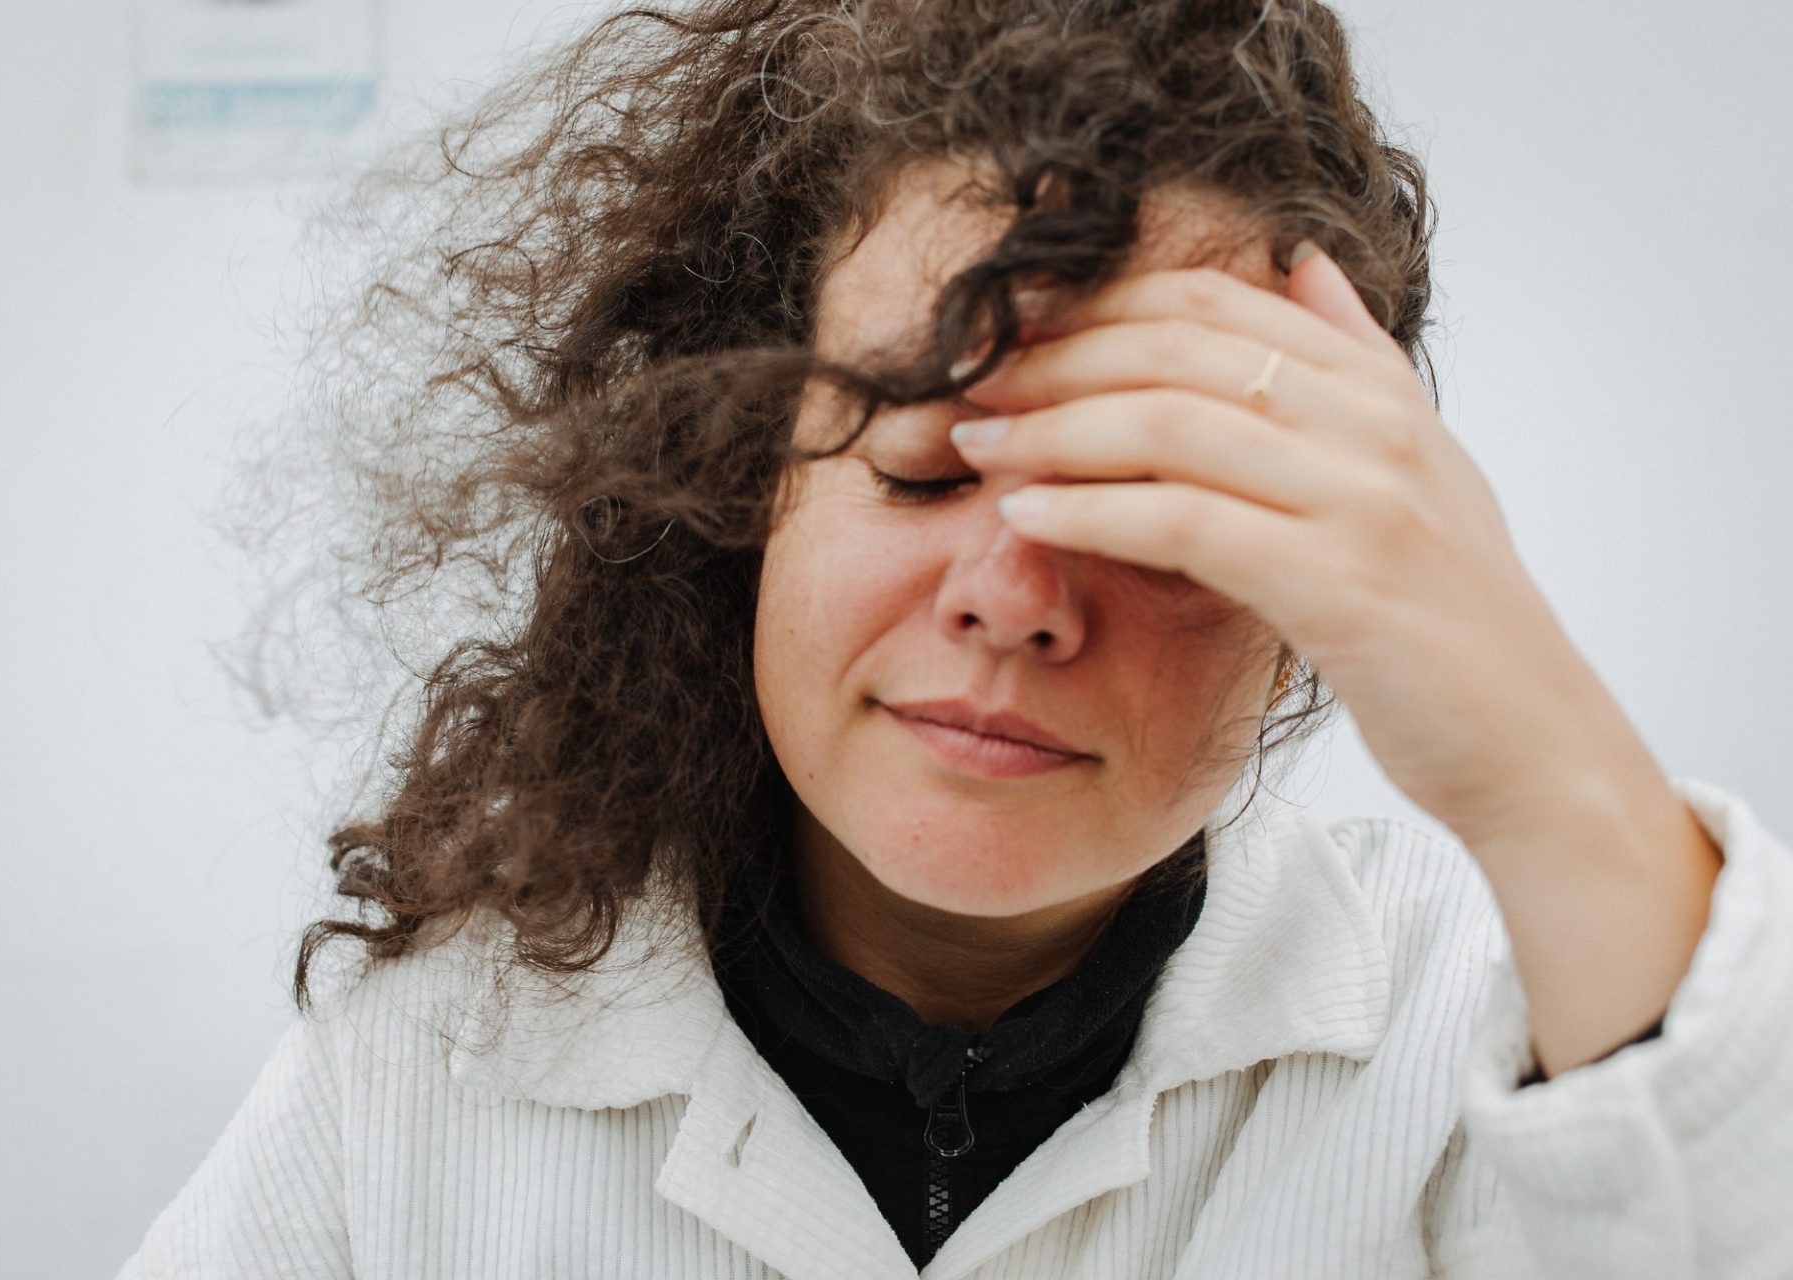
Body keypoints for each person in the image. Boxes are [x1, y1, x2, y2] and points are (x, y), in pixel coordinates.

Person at [119, 0, 1793, 1275]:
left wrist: (1543, 772)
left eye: (1155, 499)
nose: (1015, 592)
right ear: (740, 488)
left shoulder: (1504, 1018)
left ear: (1320, 596)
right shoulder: (419, 1064)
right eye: (922, 467)